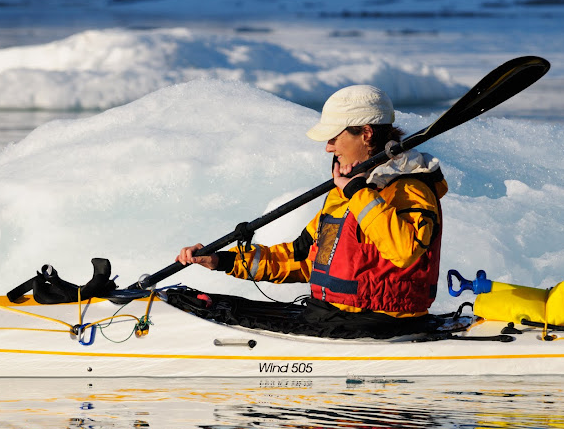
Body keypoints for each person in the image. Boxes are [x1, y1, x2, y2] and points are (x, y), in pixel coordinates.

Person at [176, 85, 448, 333]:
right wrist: (223, 261)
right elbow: (304, 257)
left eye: (333, 137)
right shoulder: (345, 192)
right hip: (332, 318)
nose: (328, 147)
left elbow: (405, 252)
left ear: (365, 134)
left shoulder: (411, 190)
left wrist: (356, 192)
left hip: (383, 326)